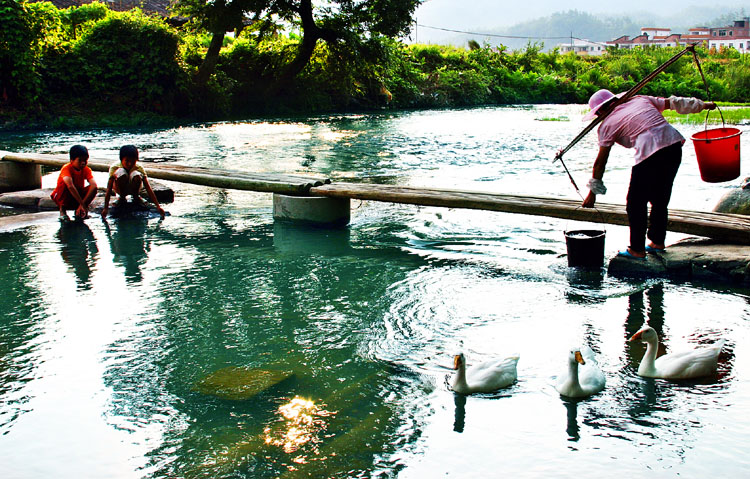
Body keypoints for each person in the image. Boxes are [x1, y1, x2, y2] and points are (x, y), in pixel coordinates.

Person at [581, 89, 716, 259]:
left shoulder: (606, 125)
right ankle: (657, 242)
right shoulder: (640, 99)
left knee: (635, 202)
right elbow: (675, 102)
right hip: (673, 146)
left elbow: (600, 162)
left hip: (651, 151)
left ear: (600, 111)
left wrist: (592, 193)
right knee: (660, 198)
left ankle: (637, 249)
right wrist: (704, 105)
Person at [101, 145, 165, 219]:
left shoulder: (139, 168)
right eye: (127, 161)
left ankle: (136, 197)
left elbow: (148, 188)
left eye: (133, 161)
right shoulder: (114, 167)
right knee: (121, 173)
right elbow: (109, 189)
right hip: (120, 188)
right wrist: (105, 208)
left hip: (134, 188)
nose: (130, 164)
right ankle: (122, 198)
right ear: (121, 160)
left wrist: (158, 207)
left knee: (136, 174)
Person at [50, 144, 98, 220]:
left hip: (76, 196)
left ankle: (78, 211)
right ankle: (62, 210)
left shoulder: (86, 169)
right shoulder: (66, 168)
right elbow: (70, 186)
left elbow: (94, 185)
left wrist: (82, 205)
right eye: (80, 160)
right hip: (63, 196)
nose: (83, 163)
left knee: (93, 189)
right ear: (72, 160)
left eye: (85, 160)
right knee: (66, 185)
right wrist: (82, 204)